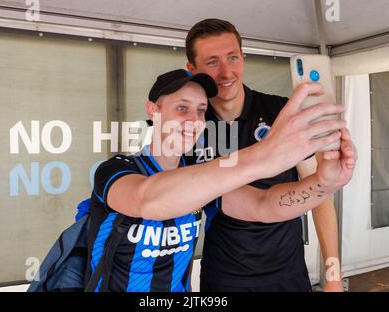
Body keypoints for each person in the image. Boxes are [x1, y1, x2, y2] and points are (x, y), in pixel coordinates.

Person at [86, 68, 356, 291]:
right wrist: (263, 156)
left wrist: (325, 183)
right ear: (153, 111)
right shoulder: (116, 169)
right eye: (182, 108)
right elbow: (148, 199)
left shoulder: (199, 172)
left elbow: (263, 205)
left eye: (201, 110)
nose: (194, 119)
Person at [185, 18, 349, 292]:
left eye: (233, 58)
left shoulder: (281, 113)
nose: (227, 72)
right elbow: (184, 218)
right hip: (223, 277)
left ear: (243, 58)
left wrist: (332, 277)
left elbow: (320, 197)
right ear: (192, 69)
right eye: (212, 62)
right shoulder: (190, 129)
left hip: (288, 273)